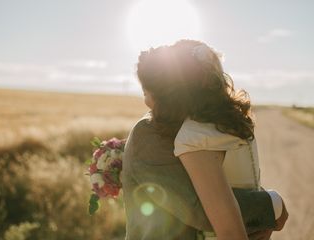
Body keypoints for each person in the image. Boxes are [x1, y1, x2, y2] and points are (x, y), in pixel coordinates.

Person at [122, 39, 288, 240]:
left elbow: (220, 187)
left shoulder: (196, 131)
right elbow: (199, 208)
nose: (146, 101)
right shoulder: (148, 133)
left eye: (147, 91)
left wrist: (263, 205)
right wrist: (271, 205)